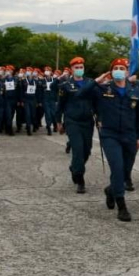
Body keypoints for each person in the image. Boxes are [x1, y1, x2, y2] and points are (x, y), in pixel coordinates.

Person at [91, 58, 139, 221]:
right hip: (110, 135)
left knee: (125, 172)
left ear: (128, 72)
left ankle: (111, 190)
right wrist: (97, 80)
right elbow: (82, 94)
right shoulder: (103, 89)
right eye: (116, 68)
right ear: (111, 71)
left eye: (122, 68)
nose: (119, 70)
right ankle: (122, 206)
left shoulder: (135, 91)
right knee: (117, 168)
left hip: (129, 136)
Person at [56, 57, 95, 194]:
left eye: (81, 67)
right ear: (71, 69)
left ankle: (75, 168)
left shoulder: (90, 83)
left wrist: (100, 118)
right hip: (72, 121)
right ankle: (80, 179)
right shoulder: (65, 84)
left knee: (87, 151)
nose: (79, 69)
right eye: (76, 67)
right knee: (78, 150)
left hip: (88, 122)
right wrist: (59, 122)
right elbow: (60, 104)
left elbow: (96, 102)